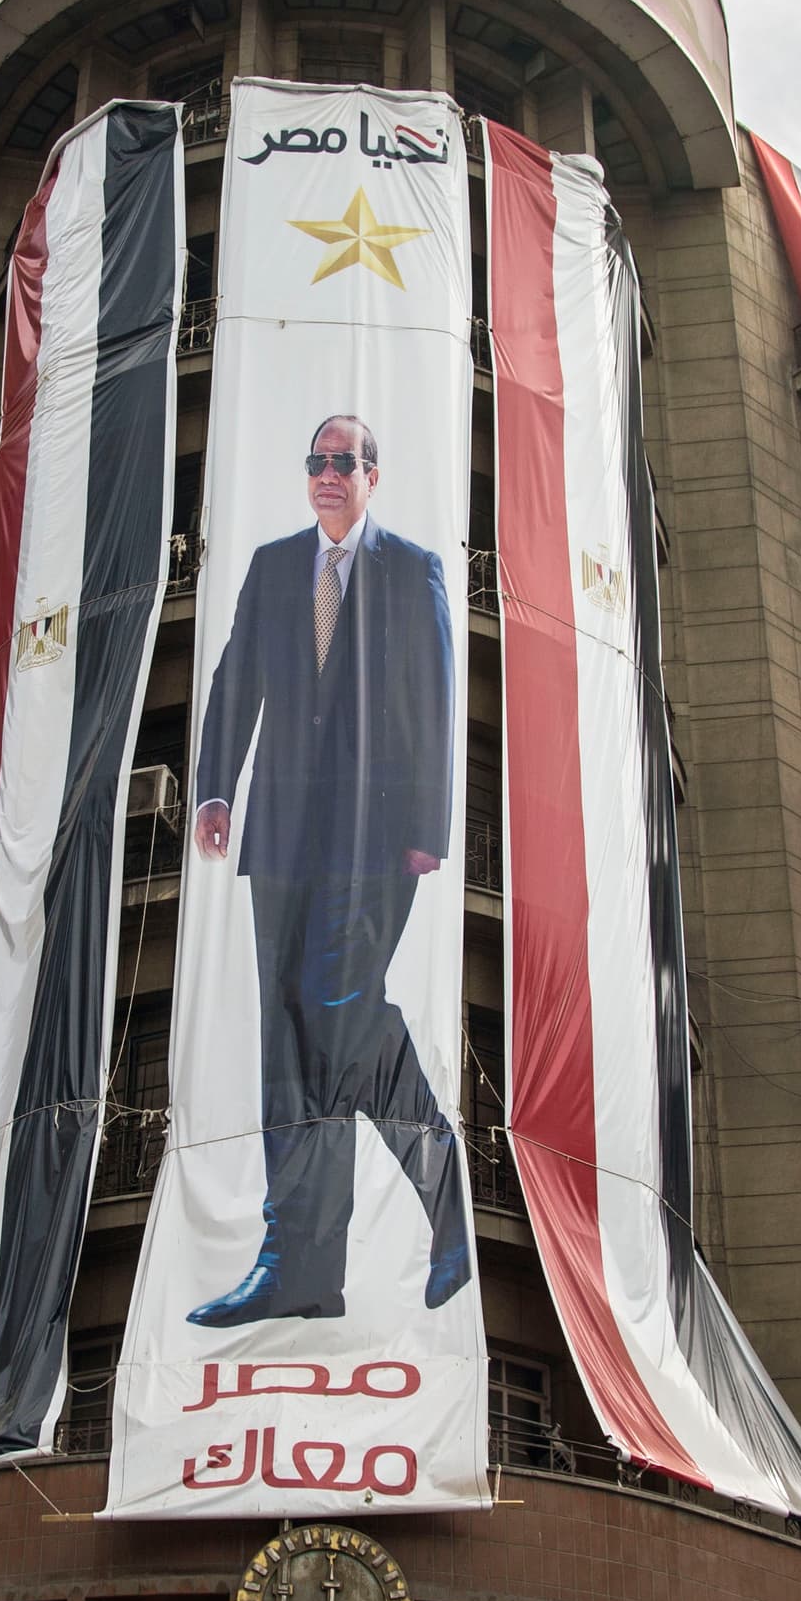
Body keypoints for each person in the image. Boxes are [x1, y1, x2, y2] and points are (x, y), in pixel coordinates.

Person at [186, 412, 471, 1326]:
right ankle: (301, 1267)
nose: (329, 475)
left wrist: (428, 824)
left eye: (344, 462)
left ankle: (443, 1194)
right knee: (291, 1044)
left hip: (376, 841)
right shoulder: (276, 566)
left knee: (341, 1017)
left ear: (373, 476)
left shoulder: (411, 566)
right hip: (282, 840)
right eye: (317, 461)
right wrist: (214, 790)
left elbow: (435, 699)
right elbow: (237, 680)